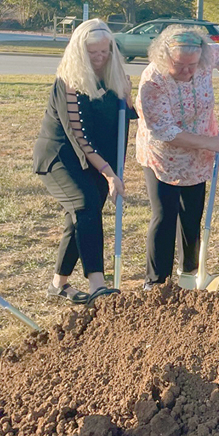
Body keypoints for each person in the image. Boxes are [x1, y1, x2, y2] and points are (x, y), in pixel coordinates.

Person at [33, 19, 132, 303]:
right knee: (85, 203)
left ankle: (59, 284)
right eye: (93, 53)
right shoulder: (68, 82)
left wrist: (128, 97)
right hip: (60, 155)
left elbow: (123, 118)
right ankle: (96, 284)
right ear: (79, 51)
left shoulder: (114, 75)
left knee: (80, 216)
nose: (100, 58)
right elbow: (79, 136)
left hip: (97, 157)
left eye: (105, 51)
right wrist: (109, 173)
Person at [136, 26, 219, 289]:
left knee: (192, 213)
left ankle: (188, 273)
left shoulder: (205, 56)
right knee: (165, 214)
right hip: (164, 155)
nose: (187, 71)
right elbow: (165, 131)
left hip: (200, 153)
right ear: (163, 58)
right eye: (180, 65)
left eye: (192, 65)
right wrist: (209, 142)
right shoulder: (153, 81)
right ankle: (156, 281)